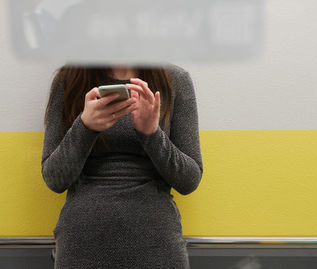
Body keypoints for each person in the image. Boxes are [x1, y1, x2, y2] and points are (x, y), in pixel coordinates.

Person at [41, 63, 203, 268]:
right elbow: (54, 179)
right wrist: (85, 127)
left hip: (157, 246)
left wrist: (151, 134)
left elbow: (189, 180)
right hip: (81, 246)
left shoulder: (174, 80)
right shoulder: (69, 79)